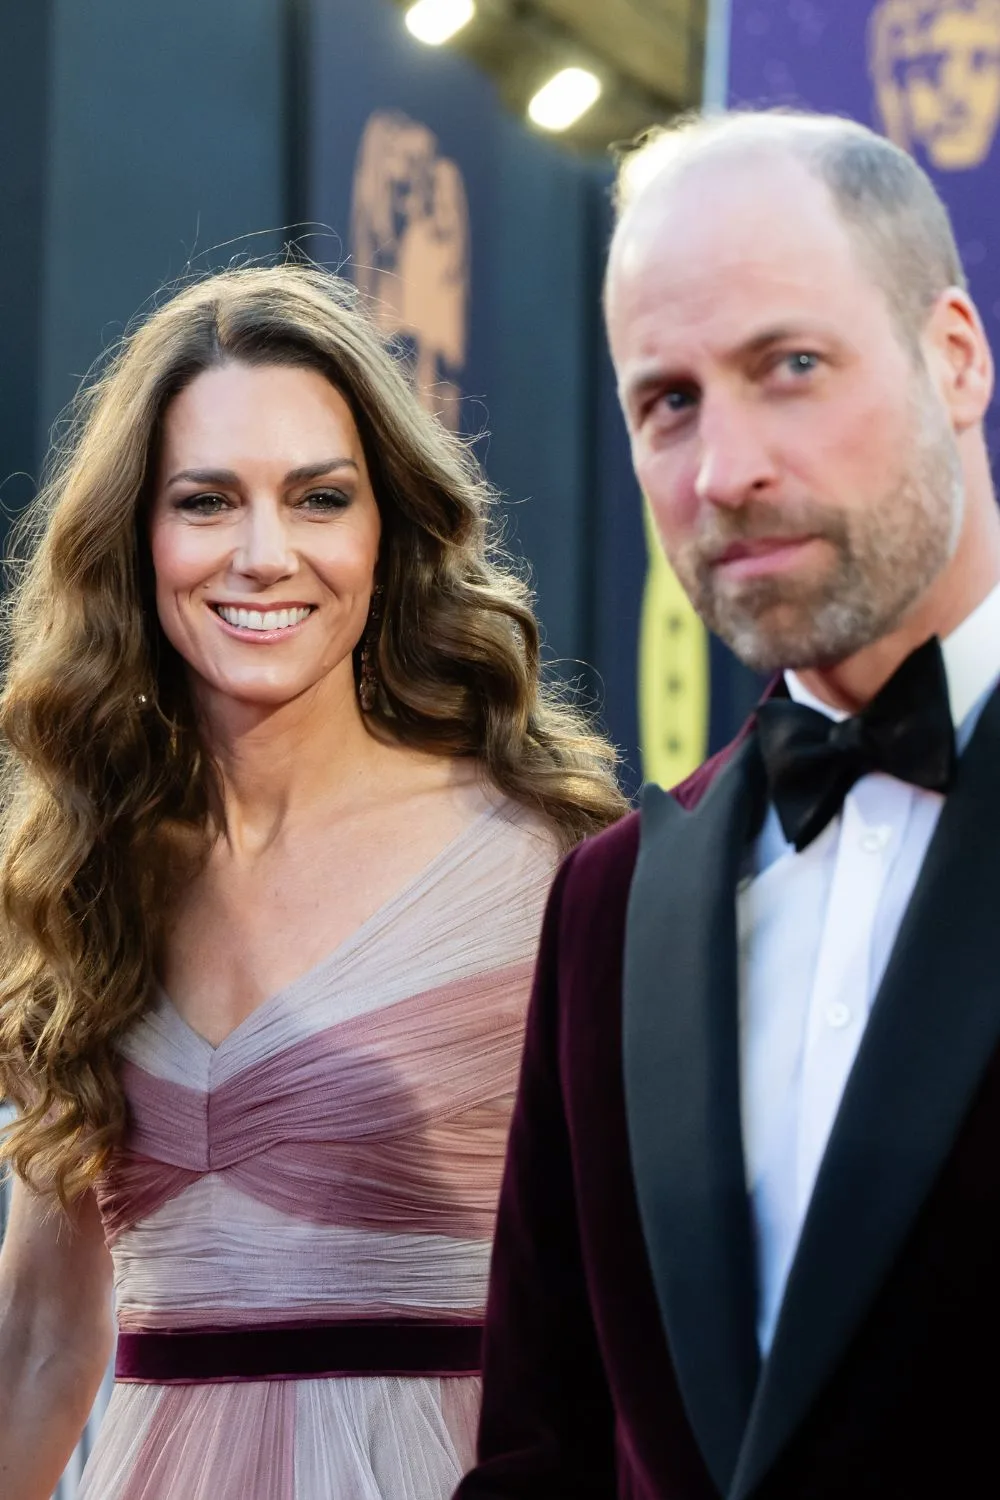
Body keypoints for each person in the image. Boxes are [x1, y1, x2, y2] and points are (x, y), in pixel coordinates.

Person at [0, 262, 626, 1500]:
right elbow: (40, 1347)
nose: (265, 553)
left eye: (319, 497)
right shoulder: (82, 880)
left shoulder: (544, 867)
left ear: (386, 529)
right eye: (207, 501)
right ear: (140, 537)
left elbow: (640, 1323)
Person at [456, 108, 1000, 1499]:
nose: (726, 470)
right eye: (670, 401)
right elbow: (541, 1443)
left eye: (792, 366)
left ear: (955, 358)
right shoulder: (612, 901)